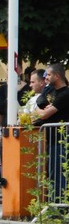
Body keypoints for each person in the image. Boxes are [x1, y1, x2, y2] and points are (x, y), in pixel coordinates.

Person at [32, 63, 69, 202]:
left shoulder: (65, 94)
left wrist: (41, 112)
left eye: (48, 75)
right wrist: (42, 109)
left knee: (59, 174)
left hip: (61, 139)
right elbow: (40, 100)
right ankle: (54, 204)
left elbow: (44, 115)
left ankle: (60, 207)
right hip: (50, 139)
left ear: (57, 76)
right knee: (51, 174)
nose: (45, 77)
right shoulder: (49, 89)